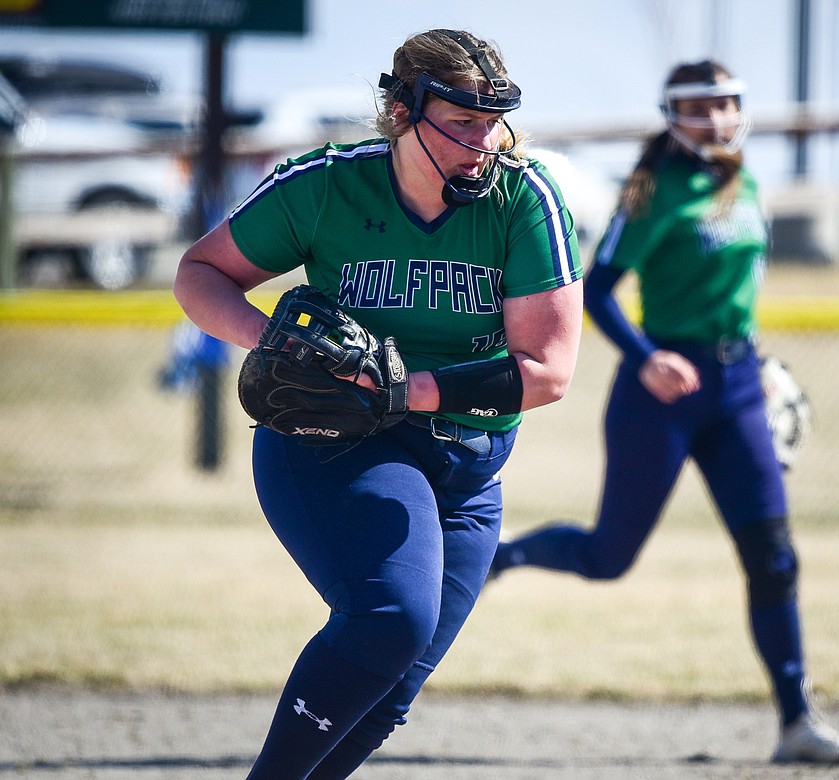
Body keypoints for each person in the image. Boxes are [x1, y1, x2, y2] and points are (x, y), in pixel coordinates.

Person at [172, 29, 582, 779]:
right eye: (460, 121)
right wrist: (276, 343)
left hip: (469, 469)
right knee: (392, 620)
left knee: (390, 689)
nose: (482, 141)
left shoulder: (524, 199)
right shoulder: (329, 183)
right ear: (401, 110)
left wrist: (408, 387)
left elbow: (548, 370)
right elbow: (201, 272)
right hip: (343, 440)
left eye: (493, 121)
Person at [490, 60, 839, 765]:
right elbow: (598, 289)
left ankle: (796, 724)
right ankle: (503, 553)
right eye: (702, 106)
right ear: (673, 114)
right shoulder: (653, 191)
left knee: (774, 558)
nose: (719, 117)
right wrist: (646, 358)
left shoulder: (745, 178)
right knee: (609, 558)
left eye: (728, 102)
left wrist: (750, 356)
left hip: (736, 391)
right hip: (661, 394)